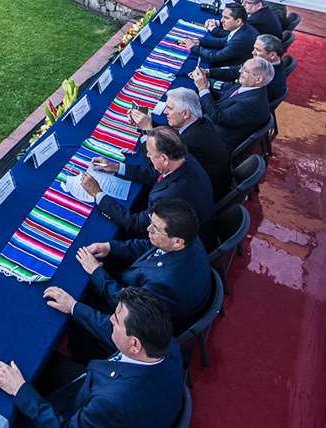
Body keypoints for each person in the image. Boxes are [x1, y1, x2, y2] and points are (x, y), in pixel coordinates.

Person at [0, 286, 184, 428]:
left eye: (116, 320)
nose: (110, 320)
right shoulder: (165, 343)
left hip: (83, 407)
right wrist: (73, 306)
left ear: (135, 344)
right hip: (99, 386)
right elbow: (110, 332)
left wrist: (19, 390)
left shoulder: (111, 403)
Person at [75, 198, 212, 321]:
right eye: (151, 223)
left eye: (155, 229)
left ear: (177, 242)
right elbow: (152, 247)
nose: (148, 229)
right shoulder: (187, 236)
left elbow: (126, 305)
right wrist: (111, 247)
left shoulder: (164, 283)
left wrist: (96, 271)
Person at [84, 124, 216, 231]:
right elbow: (156, 175)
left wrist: (98, 194)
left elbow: (134, 223)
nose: (147, 155)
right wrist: (115, 167)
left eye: (150, 154)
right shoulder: (182, 157)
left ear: (164, 158)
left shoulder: (168, 196)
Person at [194, 57, 274, 150]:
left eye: (245, 70)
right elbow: (224, 96)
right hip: (218, 121)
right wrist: (206, 86)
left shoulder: (250, 103)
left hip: (216, 139)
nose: (240, 71)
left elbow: (218, 117)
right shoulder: (249, 86)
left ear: (258, 79)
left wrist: (203, 89)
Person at [209, 34, 288, 106]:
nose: (253, 52)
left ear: (272, 55)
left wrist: (206, 88)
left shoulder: (268, 80)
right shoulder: (271, 65)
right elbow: (236, 71)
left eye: (258, 50)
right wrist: (209, 72)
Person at [183, 2, 257, 69]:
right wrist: (200, 42)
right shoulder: (243, 28)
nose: (221, 21)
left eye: (226, 18)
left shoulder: (240, 39)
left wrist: (193, 47)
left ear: (238, 21)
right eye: (222, 17)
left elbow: (215, 57)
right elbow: (223, 41)